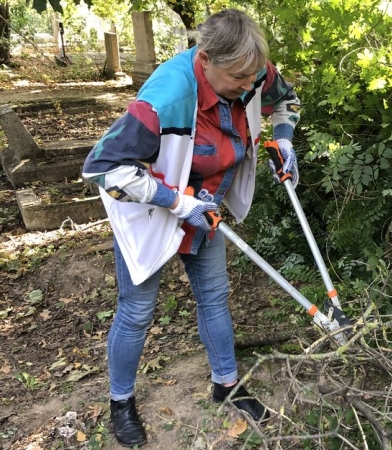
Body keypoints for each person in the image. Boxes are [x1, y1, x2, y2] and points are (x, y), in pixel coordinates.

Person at [82, 9, 301, 448]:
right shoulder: (166, 96)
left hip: (206, 207)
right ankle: (120, 402)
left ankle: (227, 385)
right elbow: (104, 170)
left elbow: (286, 100)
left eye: (252, 76)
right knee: (137, 311)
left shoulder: (251, 73)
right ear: (205, 59)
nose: (248, 85)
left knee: (215, 297)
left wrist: (284, 137)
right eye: (238, 76)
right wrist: (177, 203)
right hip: (150, 212)